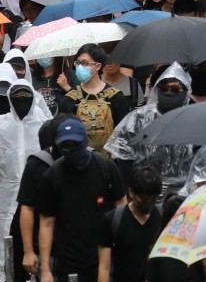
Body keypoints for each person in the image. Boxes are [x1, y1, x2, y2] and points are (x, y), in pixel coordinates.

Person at [38, 119, 126, 282]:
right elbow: (46, 223)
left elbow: (122, 208)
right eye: (66, 145)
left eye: (75, 144)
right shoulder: (52, 177)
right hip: (68, 261)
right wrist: (45, 270)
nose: (71, 149)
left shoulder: (106, 169)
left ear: (84, 141)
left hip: (105, 257)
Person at [0, 71, 43, 281]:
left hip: (36, 195)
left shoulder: (44, 124)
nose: (21, 102)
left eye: (26, 97)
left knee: (36, 241)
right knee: (3, 242)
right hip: (6, 195)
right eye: (17, 97)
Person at [104, 63, 196, 199]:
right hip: (143, 194)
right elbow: (123, 154)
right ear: (157, 89)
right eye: (164, 87)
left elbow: (202, 163)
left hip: (182, 197)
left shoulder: (194, 121)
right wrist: (131, 191)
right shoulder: (139, 118)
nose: (169, 92)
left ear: (185, 91)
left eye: (176, 88)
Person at [18, 115, 70, 281]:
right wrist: (28, 251)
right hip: (49, 249)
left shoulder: (94, 163)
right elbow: (27, 207)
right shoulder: (38, 165)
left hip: (83, 250)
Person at [59, 44, 131, 156]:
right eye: (78, 63)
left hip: (109, 163)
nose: (80, 67)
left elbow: (124, 135)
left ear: (98, 66)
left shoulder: (116, 97)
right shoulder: (70, 99)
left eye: (85, 63)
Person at [97, 166, 163, 282]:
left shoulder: (162, 218)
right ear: (131, 192)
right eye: (142, 198)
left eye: (152, 198)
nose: (147, 202)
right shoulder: (112, 220)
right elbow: (104, 267)